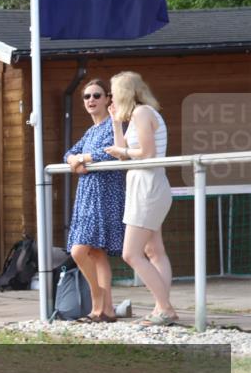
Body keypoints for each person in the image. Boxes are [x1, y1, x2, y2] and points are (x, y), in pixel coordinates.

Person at [105, 71, 177, 326]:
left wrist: (122, 150)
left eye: (113, 92)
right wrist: (115, 123)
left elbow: (147, 153)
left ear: (125, 92)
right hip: (143, 186)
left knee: (131, 253)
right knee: (154, 251)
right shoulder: (135, 117)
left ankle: (166, 308)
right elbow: (122, 155)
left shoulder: (142, 113)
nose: (110, 97)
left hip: (148, 187)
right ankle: (161, 308)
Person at [65, 79, 126, 323]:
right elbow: (69, 153)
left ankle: (98, 302)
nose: (91, 100)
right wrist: (74, 161)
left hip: (106, 194)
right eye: (86, 96)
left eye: (96, 95)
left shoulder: (114, 126)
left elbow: (114, 153)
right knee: (96, 253)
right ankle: (107, 309)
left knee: (79, 250)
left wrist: (84, 158)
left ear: (107, 98)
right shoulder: (90, 131)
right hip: (87, 194)